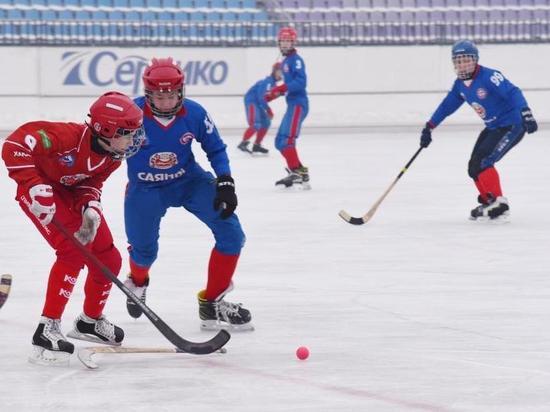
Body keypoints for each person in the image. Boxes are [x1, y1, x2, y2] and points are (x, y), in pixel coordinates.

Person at [1, 91, 145, 365]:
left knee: (109, 257)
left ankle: (89, 322)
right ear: (106, 130)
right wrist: (31, 184)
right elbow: (14, 144)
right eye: (128, 132)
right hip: (39, 193)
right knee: (73, 252)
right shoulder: (64, 137)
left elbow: (91, 182)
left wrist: (90, 203)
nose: (134, 139)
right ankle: (47, 328)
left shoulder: (114, 155)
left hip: (68, 193)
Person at [123, 57, 252, 331]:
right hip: (145, 188)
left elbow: (215, 148)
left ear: (181, 91)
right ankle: (137, 281)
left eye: (172, 95)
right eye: (160, 96)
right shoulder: (130, 114)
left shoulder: (194, 113)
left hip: (189, 181)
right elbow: (106, 148)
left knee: (232, 234)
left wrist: (226, 181)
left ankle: (212, 302)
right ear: (148, 94)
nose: (167, 102)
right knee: (144, 252)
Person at [420, 40, 538, 220]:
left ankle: (500, 202)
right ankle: (489, 201)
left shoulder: (489, 76)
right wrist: (429, 126)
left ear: (475, 60)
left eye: (466, 60)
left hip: (512, 124)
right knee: (473, 166)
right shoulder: (460, 85)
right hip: (492, 127)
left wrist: (526, 113)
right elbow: (447, 106)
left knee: (484, 161)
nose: (462, 65)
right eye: (458, 61)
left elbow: (513, 92)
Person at [265, 26, 310, 189]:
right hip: (292, 104)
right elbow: (289, 87)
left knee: (288, 139)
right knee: (279, 141)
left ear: (293, 42)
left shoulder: (296, 60)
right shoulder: (285, 62)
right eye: (282, 41)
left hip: (299, 104)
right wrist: (273, 95)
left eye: (288, 41)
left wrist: (280, 88)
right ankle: (299, 171)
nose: (285, 44)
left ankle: (297, 173)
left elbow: (300, 83)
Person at [237, 62, 283, 155]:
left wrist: (278, 94)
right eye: (279, 71)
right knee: (256, 124)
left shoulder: (273, 84)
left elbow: (266, 98)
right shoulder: (268, 82)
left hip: (258, 103)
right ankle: (243, 143)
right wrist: (268, 109)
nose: (281, 74)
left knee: (266, 122)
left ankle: (257, 145)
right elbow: (261, 96)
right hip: (252, 101)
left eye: (282, 72)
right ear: (274, 71)